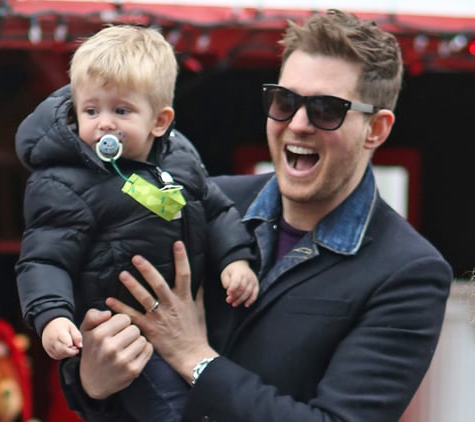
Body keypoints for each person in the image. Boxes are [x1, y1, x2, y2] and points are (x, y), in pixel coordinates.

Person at [66, 9, 454, 421]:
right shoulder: (206, 200)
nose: (298, 124)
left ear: (376, 129)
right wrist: (89, 380)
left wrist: (195, 358)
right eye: (285, 102)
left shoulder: (409, 272)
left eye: (325, 109)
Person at [14, 25, 259, 421]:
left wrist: (236, 260)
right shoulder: (63, 181)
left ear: (159, 121)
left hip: (189, 328)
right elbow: (44, 259)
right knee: (174, 411)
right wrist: (52, 316)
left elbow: (215, 209)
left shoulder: (178, 158)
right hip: (126, 335)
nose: (105, 123)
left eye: (121, 110)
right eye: (91, 110)